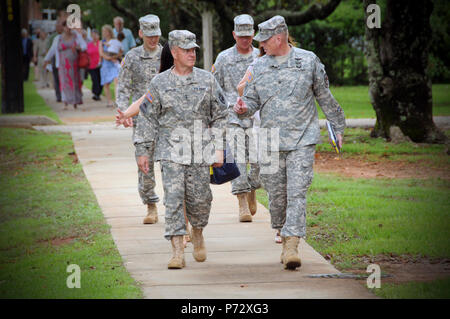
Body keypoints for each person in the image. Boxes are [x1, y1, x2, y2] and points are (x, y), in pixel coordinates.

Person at [234, 16, 345, 270]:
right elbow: (250, 103)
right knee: (277, 197)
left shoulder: (308, 61)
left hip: (302, 140)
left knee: (297, 192)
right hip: (271, 142)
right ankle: (283, 233)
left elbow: (325, 97)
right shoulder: (258, 67)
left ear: (279, 37)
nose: (261, 45)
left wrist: (337, 126)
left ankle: (293, 244)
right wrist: (242, 108)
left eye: (265, 40)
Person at [117, 30, 228, 269]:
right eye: (187, 50)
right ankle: (177, 250)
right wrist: (142, 150)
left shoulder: (207, 80)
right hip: (169, 151)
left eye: (194, 50)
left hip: (199, 151)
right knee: (174, 199)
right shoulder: (159, 83)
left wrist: (218, 148)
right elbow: (147, 118)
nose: (192, 53)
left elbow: (220, 116)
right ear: (174, 52)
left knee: (200, 201)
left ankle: (197, 231)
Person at [212, 14, 261, 223]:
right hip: (232, 116)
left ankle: (252, 188)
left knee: (258, 160)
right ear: (234, 35)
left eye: (248, 36)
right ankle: (241, 200)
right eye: (241, 36)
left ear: (254, 34)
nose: (245, 40)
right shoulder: (223, 58)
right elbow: (214, 88)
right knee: (238, 158)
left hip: (257, 116)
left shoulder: (261, 56)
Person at [115, 15, 163, 224]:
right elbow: (123, 85)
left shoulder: (168, 54)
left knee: (173, 164)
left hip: (166, 117)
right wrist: (124, 112)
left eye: (156, 35)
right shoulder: (132, 57)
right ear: (141, 33)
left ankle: (175, 205)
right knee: (145, 163)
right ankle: (150, 205)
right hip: (142, 118)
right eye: (149, 35)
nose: (153, 39)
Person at [44, 19, 87, 109]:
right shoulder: (58, 38)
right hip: (63, 65)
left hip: (74, 64)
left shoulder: (76, 36)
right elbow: (52, 50)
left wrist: (78, 47)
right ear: (63, 27)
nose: (68, 28)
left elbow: (84, 46)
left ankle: (75, 101)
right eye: (66, 26)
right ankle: (65, 102)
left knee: (74, 82)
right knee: (64, 83)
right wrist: (46, 59)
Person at [99, 24, 122, 108]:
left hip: (114, 64)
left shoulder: (114, 41)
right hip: (105, 64)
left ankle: (117, 100)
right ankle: (109, 101)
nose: (105, 33)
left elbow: (120, 52)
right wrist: (108, 58)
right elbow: (101, 53)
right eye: (104, 32)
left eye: (107, 31)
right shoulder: (101, 42)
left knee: (116, 80)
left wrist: (114, 57)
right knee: (106, 84)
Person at [45, 19, 64, 102]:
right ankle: (58, 96)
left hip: (64, 61)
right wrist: (47, 59)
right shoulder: (54, 37)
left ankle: (64, 95)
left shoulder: (67, 36)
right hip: (55, 60)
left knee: (63, 79)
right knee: (56, 79)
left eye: (60, 26)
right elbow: (51, 49)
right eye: (57, 26)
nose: (58, 28)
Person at [86, 29, 103, 100]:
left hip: (100, 65)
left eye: (96, 35)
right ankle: (96, 93)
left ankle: (98, 93)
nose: (94, 37)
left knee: (100, 80)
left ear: (98, 36)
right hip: (91, 65)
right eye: (93, 35)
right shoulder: (89, 45)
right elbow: (87, 54)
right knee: (94, 79)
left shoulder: (101, 43)